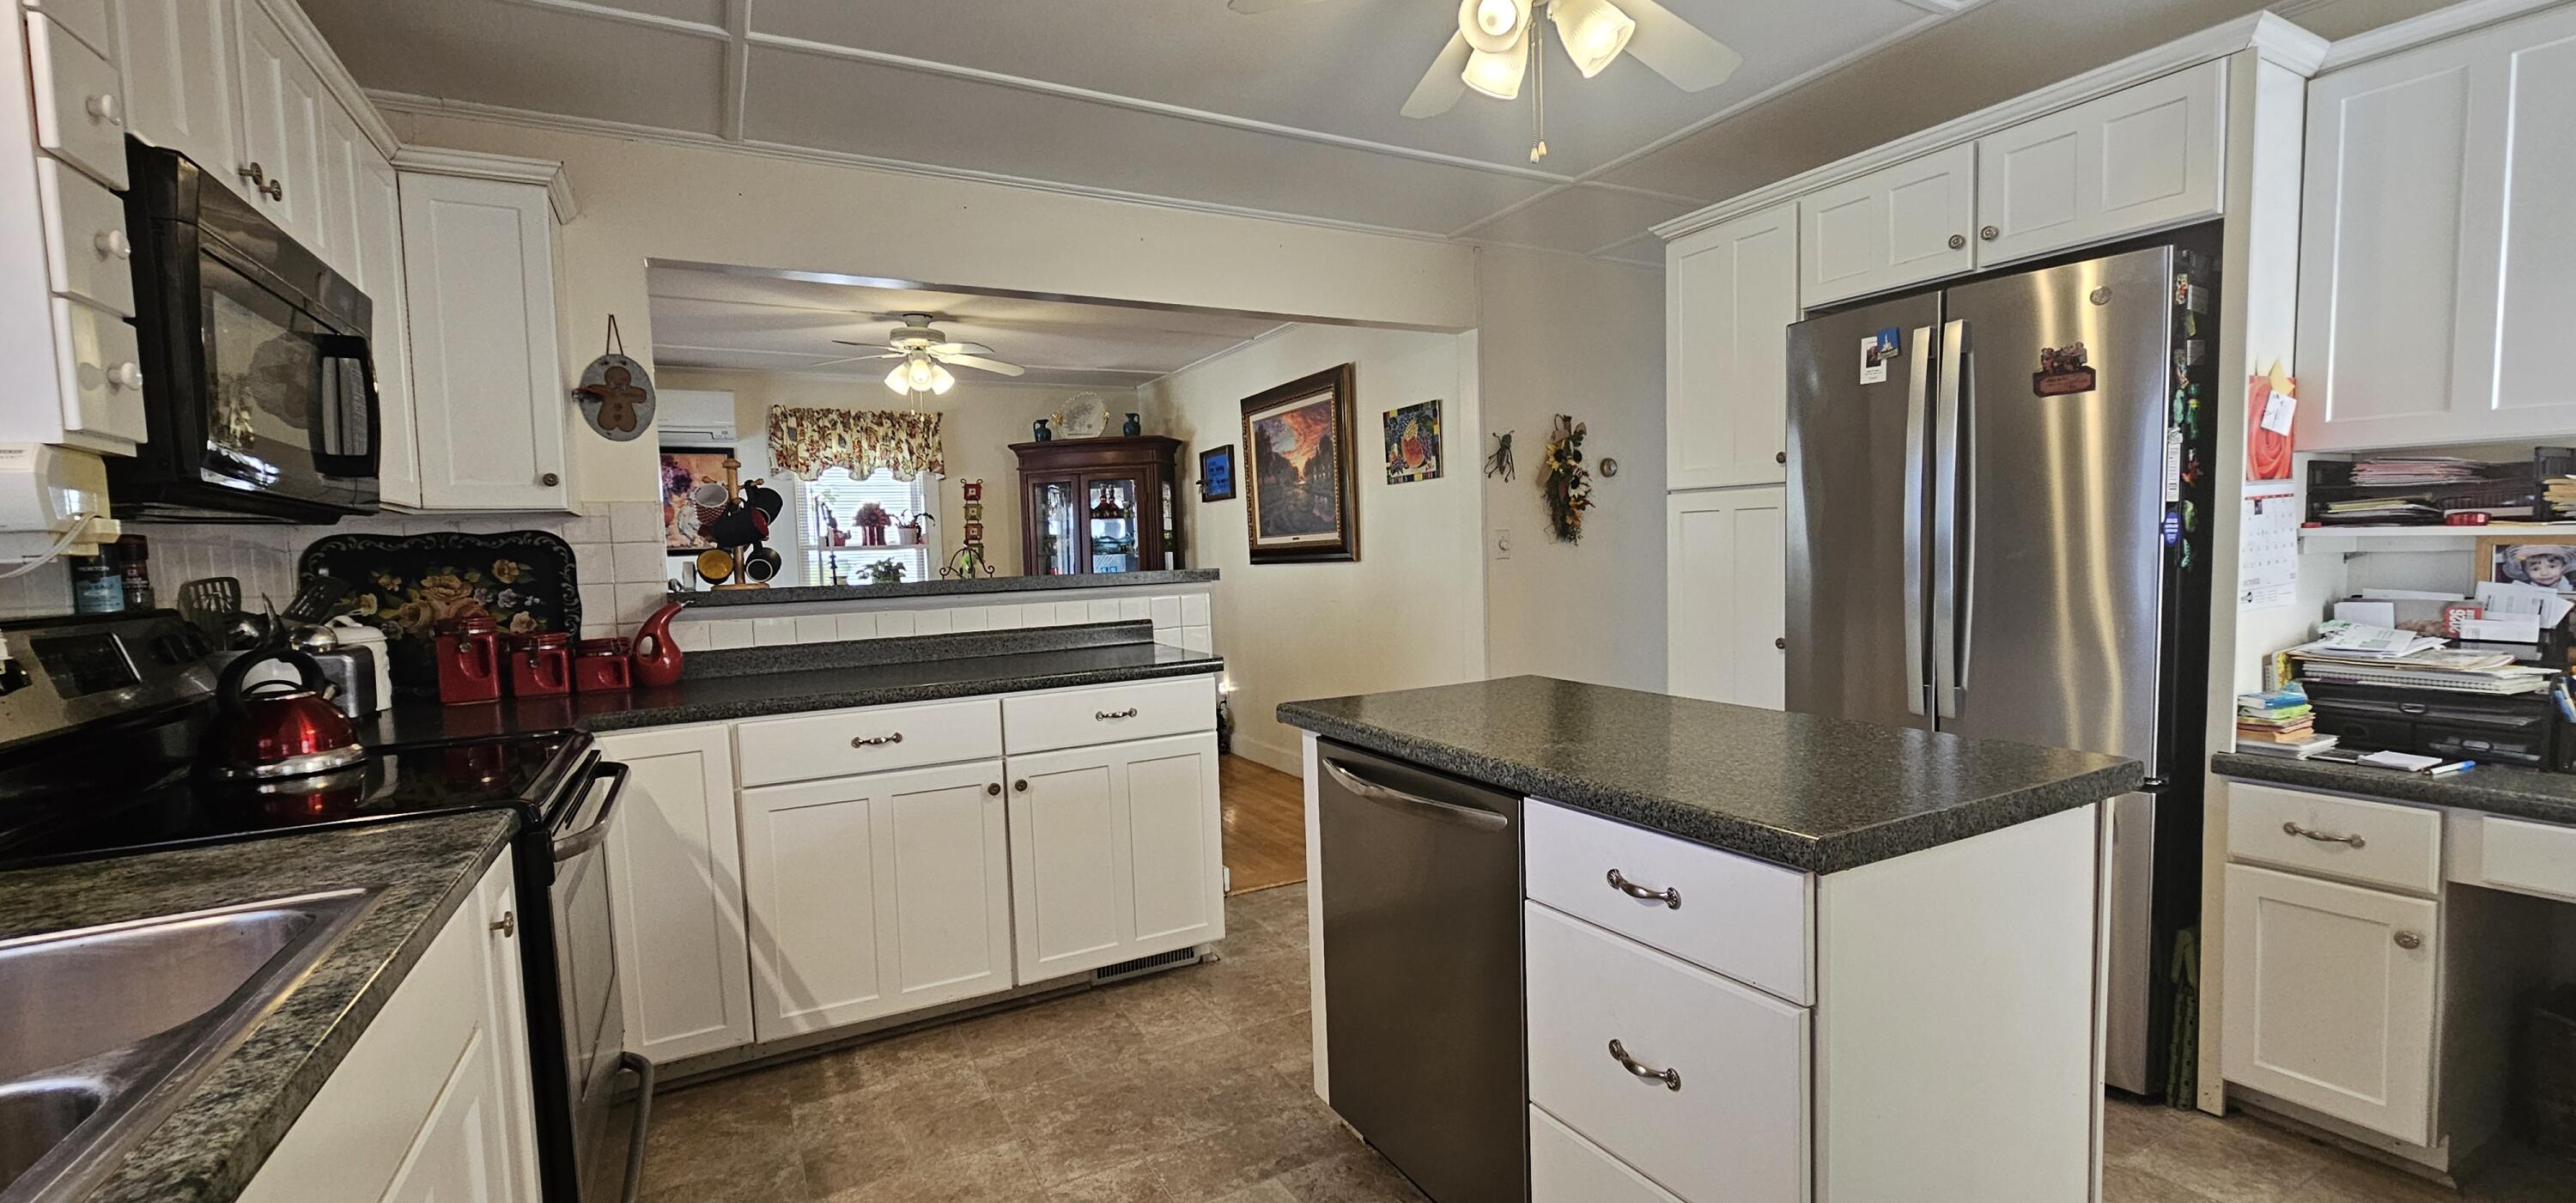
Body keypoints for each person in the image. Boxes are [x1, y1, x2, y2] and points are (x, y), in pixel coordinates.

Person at [2507, 544, 2576, 591]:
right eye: (2535, 569)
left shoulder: (2572, 588)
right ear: (2525, 571)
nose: (2544, 573)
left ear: (2563, 566)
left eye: (2552, 567)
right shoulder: (2523, 589)